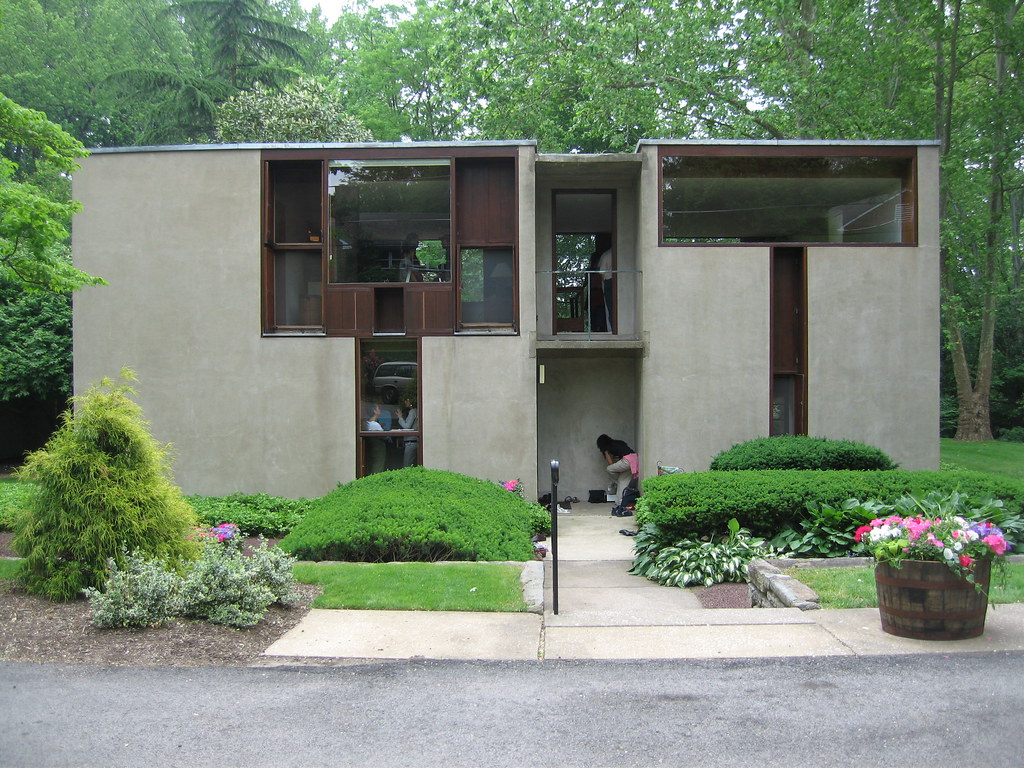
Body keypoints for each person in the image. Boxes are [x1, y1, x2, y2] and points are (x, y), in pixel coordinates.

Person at [596, 433, 639, 516]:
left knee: (609, 469)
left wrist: (606, 452)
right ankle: (620, 503)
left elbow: (610, 464)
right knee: (622, 481)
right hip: (633, 460)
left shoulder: (608, 448)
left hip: (627, 461)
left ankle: (614, 481)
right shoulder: (617, 443)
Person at [397, 395, 419, 467]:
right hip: (415, 441)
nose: (405, 402)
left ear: (411, 401)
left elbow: (407, 427)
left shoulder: (413, 411)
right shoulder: (417, 410)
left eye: (407, 400)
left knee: (407, 466)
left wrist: (400, 417)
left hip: (411, 442)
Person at [364, 405, 387, 474]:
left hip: (372, 447)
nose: (380, 410)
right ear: (375, 411)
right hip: (378, 448)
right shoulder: (375, 425)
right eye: (378, 409)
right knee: (378, 466)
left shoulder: (368, 423)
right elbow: (384, 436)